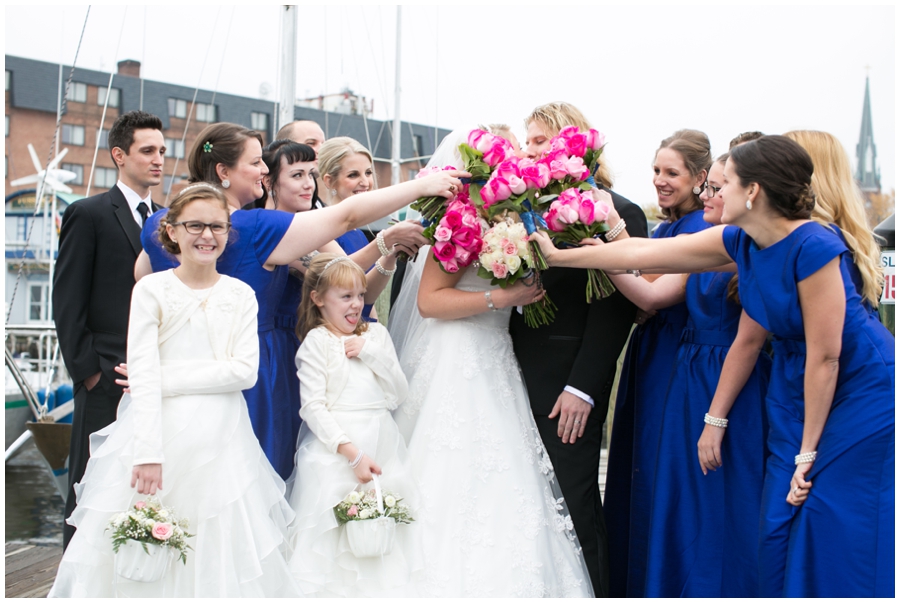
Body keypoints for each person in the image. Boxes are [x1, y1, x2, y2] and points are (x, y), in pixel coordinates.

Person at [532, 135, 894, 597]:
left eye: (727, 183)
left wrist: (807, 451)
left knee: (832, 515)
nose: (714, 193)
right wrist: (563, 256)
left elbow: (826, 357)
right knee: (777, 522)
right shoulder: (739, 241)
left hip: (857, 389)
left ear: (753, 193)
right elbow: (642, 255)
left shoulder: (816, 245)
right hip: (794, 384)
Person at [137, 122, 465, 480]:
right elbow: (348, 215)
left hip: (182, 363)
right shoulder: (253, 227)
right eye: (256, 162)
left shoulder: (160, 224)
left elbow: (145, 279)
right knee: (252, 476)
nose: (264, 169)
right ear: (223, 172)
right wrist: (422, 186)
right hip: (257, 365)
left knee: (187, 473)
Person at [49, 185, 299, 597]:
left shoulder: (240, 295)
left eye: (217, 226)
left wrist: (160, 377)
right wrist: (147, 453)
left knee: (217, 542)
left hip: (222, 438)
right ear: (172, 231)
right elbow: (142, 375)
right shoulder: (152, 290)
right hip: (157, 432)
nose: (207, 235)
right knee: (143, 550)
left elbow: (243, 372)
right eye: (195, 225)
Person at [390, 128, 594, 598]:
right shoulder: (462, 217)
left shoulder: (518, 217)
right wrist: (503, 296)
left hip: (495, 355)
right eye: (512, 152)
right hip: (456, 355)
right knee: (451, 467)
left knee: (506, 480)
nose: (521, 158)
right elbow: (429, 302)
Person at [601, 155, 771, 596]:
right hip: (688, 376)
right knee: (680, 501)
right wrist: (588, 254)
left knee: (722, 503)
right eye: (710, 187)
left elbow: (748, 342)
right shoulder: (715, 244)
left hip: (729, 381)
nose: (709, 195)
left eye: (718, 187)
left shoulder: (744, 249)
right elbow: (652, 291)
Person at [508, 102, 648, 597]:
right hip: (511, 374)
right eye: (527, 140)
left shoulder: (615, 210)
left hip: (568, 381)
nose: (529, 149)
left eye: (541, 140)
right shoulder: (517, 210)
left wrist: (583, 389)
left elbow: (615, 313)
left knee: (574, 502)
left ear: (572, 143)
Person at [601, 128, 712, 597]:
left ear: (700, 177)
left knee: (660, 462)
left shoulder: (701, 230)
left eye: (672, 173)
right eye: (656, 171)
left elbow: (651, 288)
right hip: (648, 352)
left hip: (674, 353)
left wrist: (607, 241)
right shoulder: (664, 228)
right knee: (634, 463)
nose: (660, 181)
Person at [53, 110, 166, 549]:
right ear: (120, 155)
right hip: (105, 373)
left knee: (142, 480)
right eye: (147, 151)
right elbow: (68, 300)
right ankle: (72, 581)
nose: (158, 159)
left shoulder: (169, 218)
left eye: (162, 150)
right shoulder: (88, 213)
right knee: (87, 482)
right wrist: (90, 373)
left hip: (155, 374)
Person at [287, 254, 421, 596]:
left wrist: (369, 352)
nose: (356, 305)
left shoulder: (376, 336)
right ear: (318, 299)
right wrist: (352, 454)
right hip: (339, 449)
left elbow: (398, 392)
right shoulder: (316, 344)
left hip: (383, 443)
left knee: (386, 525)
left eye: (360, 296)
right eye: (345, 297)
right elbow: (314, 408)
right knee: (336, 534)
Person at [316, 136, 429, 322]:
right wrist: (386, 239)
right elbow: (341, 275)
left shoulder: (358, 234)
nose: (365, 182)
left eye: (368, 173)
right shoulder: (321, 226)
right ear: (329, 181)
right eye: (353, 175)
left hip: (361, 323)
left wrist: (392, 254)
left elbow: (365, 295)